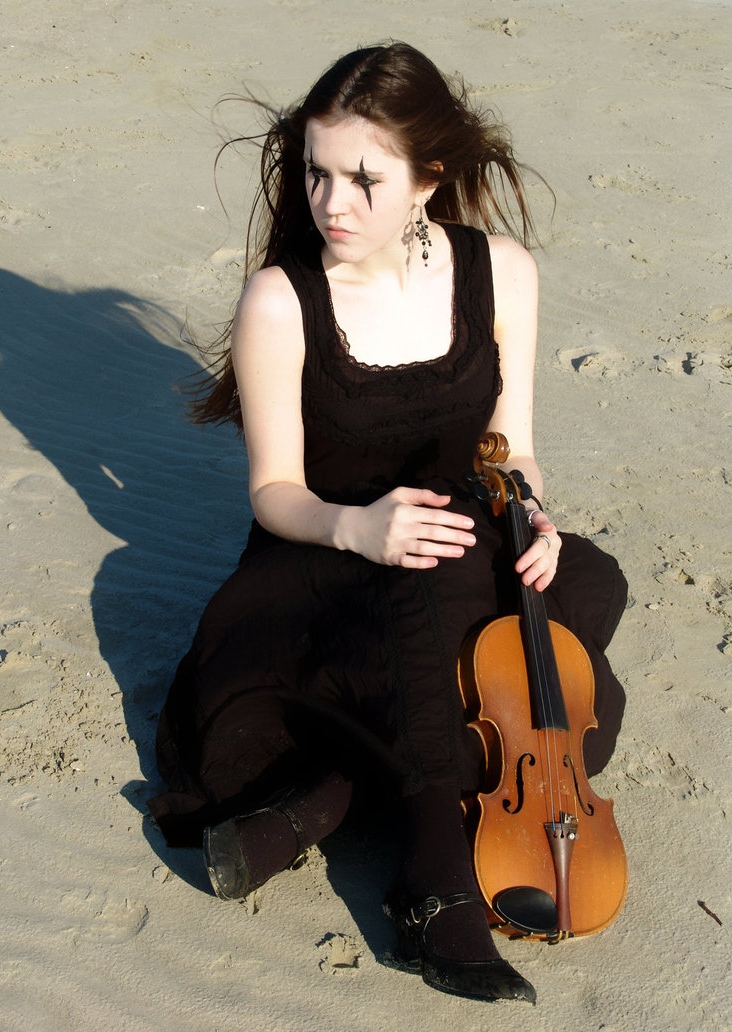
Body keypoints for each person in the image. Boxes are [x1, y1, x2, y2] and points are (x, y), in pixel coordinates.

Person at [149, 42, 627, 1005]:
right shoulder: (284, 300)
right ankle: (436, 892)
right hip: (319, 555)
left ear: (428, 180)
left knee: (582, 593)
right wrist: (358, 530)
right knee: (423, 621)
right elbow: (275, 491)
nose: (333, 204)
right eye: (318, 174)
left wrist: (533, 514)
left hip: (452, 530)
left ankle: (322, 801)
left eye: (364, 180)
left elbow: (513, 445)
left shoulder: (501, 274)